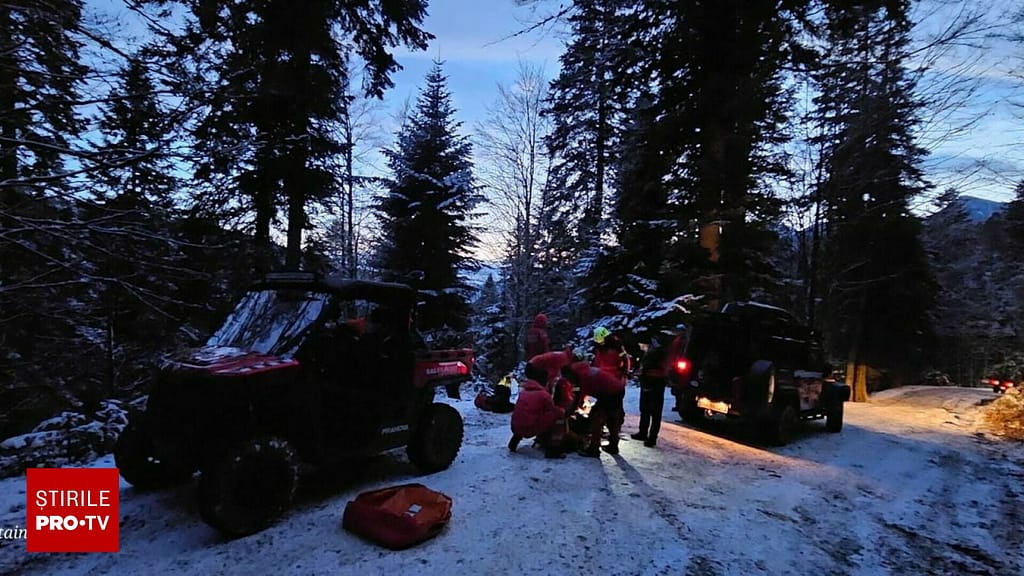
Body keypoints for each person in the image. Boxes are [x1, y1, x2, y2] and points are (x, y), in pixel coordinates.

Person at [561, 361, 626, 457]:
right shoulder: (581, 371)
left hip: (609, 393)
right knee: (612, 418)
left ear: (570, 374)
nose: (569, 381)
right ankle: (613, 445)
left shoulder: (582, 378)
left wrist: (567, 414)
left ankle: (594, 448)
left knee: (596, 418)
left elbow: (577, 399)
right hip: (617, 388)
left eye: (568, 378)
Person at [508, 377, 567, 459]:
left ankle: (515, 440)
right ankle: (553, 449)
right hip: (531, 428)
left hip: (516, 427)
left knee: (525, 416)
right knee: (559, 414)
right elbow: (552, 410)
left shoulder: (523, 392)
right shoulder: (544, 395)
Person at [631, 333, 671, 447]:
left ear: (647, 344)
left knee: (655, 411)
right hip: (647, 383)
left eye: (641, 344)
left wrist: (644, 373)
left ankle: (652, 437)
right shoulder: (650, 353)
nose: (640, 347)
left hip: (655, 384)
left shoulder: (657, 353)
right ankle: (643, 432)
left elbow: (657, 369)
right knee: (645, 409)